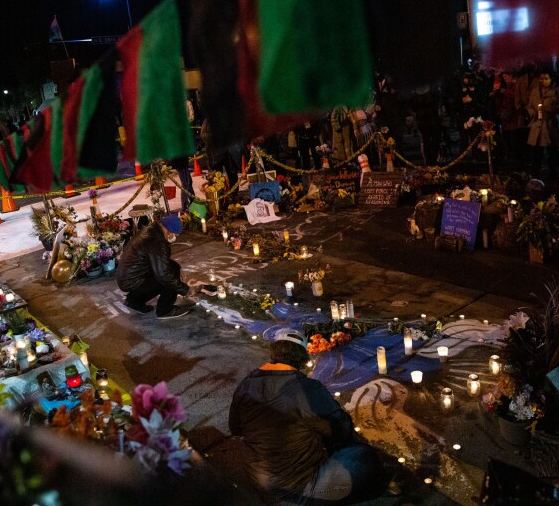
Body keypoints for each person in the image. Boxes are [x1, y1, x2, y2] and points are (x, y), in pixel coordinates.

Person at [229, 332, 386, 505]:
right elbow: (341, 429)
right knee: (365, 456)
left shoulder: (246, 384)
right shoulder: (307, 389)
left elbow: (235, 428)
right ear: (303, 358)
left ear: (274, 353)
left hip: (259, 479)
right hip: (299, 488)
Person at [116, 214, 192, 318]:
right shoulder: (158, 242)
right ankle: (165, 310)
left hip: (127, 279)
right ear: (168, 231)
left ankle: (133, 301)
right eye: (175, 234)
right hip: (133, 281)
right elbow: (164, 275)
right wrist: (185, 290)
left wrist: (178, 267)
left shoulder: (151, 230)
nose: (175, 237)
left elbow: (159, 260)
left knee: (172, 266)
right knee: (170, 273)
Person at [527, 71, 559, 181]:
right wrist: (532, 113)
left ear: (551, 79)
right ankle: (535, 174)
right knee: (536, 151)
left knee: (552, 150)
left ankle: (553, 173)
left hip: (551, 124)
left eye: (546, 78)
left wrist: (550, 109)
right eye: (541, 78)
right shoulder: (535, 91)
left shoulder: (558, 91)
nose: (543, 81)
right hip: (538, 124)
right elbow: (530, 105)